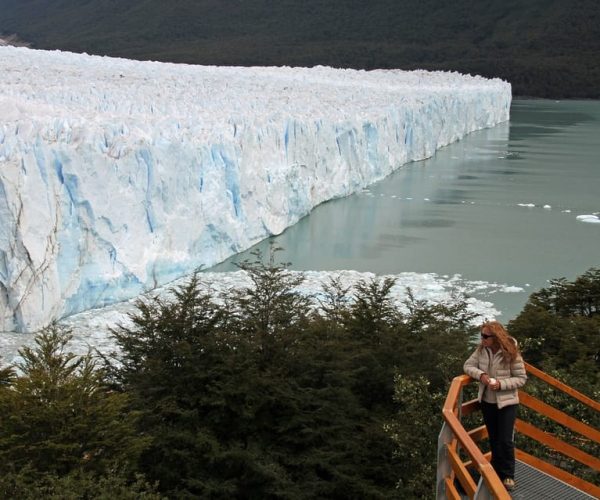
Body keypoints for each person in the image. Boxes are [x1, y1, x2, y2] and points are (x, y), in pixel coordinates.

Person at [463, 321, 527, 492]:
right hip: (487, 402)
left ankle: (508, 476)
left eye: (485, 336)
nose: (482, 339)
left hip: (507, 402)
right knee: (494, 438)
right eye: (481, 335)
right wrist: (481, 375)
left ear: (496, 337)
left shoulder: (510, 352)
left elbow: (521, 378)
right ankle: (496, 473)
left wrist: (501, 384)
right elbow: (467, 366)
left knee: (505, 440)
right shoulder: (481, 350)